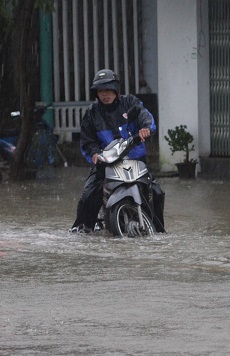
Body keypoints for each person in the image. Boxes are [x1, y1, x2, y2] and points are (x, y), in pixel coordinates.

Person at [70, 69, 165, 233]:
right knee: (88, 195)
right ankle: (82, 229)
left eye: (108, 90)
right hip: (106, 165)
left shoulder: (129, 102)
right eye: (101, 91)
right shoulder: (92, 113)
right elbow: (87, 141)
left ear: (116, 90)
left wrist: (146, 128)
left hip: (136, 162)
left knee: (157, 192)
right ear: (96, 93)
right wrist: (94, 154)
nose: (105, 94)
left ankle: (159, 229)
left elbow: (144, 115)